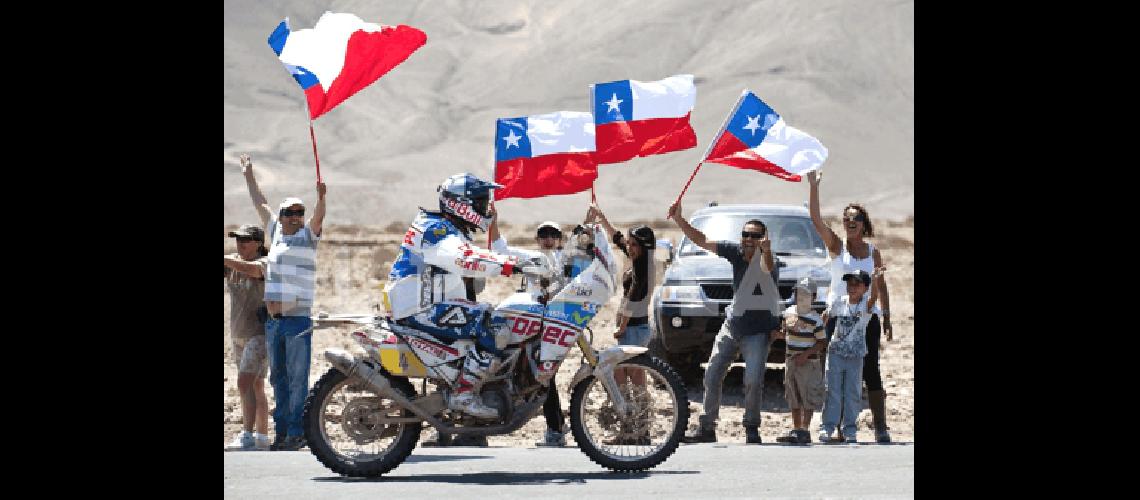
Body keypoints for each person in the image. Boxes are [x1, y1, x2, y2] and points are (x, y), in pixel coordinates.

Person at [383, 173, 520, 420]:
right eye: (479, 200)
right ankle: (464, 394)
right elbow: (463, 257)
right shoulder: (436, 230)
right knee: (495, 325)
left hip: (425, 305)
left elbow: (485, 252)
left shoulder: (448, 228)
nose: (485, 206)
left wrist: (530, 262)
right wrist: (507, 265)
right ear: (461, 203)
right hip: (419, 309)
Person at [669, 200, 782, 445]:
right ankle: (707, 427)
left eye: (754, 235)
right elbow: (703, 240)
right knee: (712, 373)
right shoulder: (735, 253)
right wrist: (679, 219)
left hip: (759, 331)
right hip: (733, 326)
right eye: (745, 234)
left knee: (753, 380)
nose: (748, 239)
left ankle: (752, 427)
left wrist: (767, 250)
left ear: (763, 238)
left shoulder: (769, 260)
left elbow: (768, 267)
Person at [241, 153, 326, 451]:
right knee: (279, 378)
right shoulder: (275, 232)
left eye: (298, 212)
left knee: (297, 379)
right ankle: (282, 433)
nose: (294, 217)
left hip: (298, 319)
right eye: (289, 212)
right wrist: (248, 175)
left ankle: (297, 432)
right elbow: (259, 202)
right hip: (273, 322)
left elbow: (318, 219)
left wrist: (321, 197)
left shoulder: (307, 237)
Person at [807, 170, 894, 443]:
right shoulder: (836, 246)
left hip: (867, 319)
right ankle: (838, 427)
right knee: (837, 372)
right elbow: (816, 220)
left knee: (870, 370)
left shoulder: (872, 252)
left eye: (855, 217)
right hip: (839, 317)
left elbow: (881, 284)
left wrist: (887, 315)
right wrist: (814, 187)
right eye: (846, 218)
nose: (850, 221)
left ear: (863, 223)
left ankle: (880, 426)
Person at [489, 218, 574, 447]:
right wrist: (493, 221)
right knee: (531, 375)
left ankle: (555, 429)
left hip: (553, 325)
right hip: (530, 325)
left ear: (560, 239)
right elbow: (500, 249)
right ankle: (553, 426)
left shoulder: (567, 261)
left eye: (553, 234)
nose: (548, 239)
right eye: (544, 234)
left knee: (544, 376)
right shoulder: (532, 257)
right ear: (537, 240)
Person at [590, 203, 656, 446]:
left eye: (634, 244)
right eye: (630, 243)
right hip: (633, 328)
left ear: (644, 245)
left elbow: (632, 297)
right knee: (625, 376)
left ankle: (638, 430)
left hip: (634, 328)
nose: (629, 247)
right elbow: (618, 239)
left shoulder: (643, 265)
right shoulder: (639, 257)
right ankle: (633, 429)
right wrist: (603, 218)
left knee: (634, 378)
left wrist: (621, 326)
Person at [223, 224, 271, 451]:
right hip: (238, 333)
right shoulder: (232, 262)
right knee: (256, 387)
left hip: (259, 334)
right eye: (238, 239)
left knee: (244, 383)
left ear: (258, 243)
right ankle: (262, 437)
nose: (240, 244)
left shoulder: (263, 263)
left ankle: (247, 434)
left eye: (246, 240)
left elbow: (253, 271)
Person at [818, 270, 880, 444]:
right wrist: (825, 316)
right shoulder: (840, 303)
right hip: (836, 352)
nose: (852, 287)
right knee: (833, 391)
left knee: (852, 392)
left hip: (856, 355)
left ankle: (850, 429)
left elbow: (874, 297)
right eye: (849, 283)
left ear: (865, 288)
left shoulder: (865, 307)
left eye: (857, 284)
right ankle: (827, 427)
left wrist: (875, 280)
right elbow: (828, 315)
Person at [774, 277, 826, 444]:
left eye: (806, 294)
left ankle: (805, 428)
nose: (802, 297)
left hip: (809, 363)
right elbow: (787, 332)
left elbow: (822, 342)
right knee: (793, 395)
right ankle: (796, 429)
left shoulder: (816, 320)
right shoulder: (788, 313)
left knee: (808, 395)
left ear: (814, 297)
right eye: (799, 293)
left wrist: (806, 354)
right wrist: (778, 335)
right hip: (791, 360)